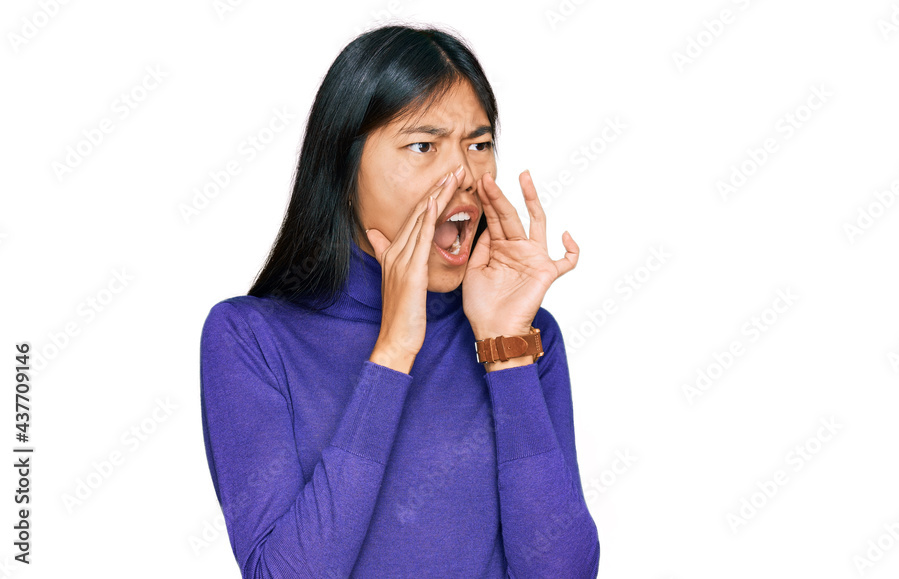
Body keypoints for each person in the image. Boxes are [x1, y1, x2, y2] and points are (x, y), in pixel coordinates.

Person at [199, 23, 600, 578]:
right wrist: (393, 352)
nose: (463, 175)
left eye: (479, 145)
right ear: (344, 171)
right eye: (423, 146)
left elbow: (563, 573)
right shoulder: (249, 338)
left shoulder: (525, 334)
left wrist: (506, 351)